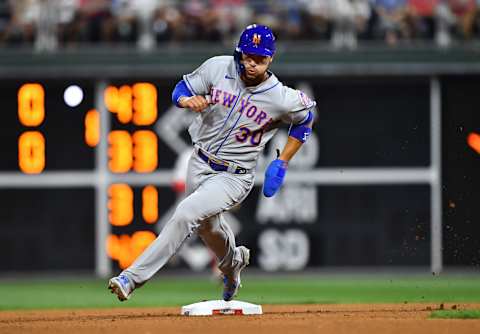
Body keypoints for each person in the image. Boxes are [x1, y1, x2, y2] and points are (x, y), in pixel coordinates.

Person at [108, 24, 316, 302]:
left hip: (234, 175)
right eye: (249, 56)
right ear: (239, 53)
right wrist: (185, 99)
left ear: (271, 59)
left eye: (261, 58)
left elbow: (305, 120)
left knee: (186, 213)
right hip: (199, 161)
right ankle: (233, 266)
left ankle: (130, 278)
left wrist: (283, 161)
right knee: (209, 228)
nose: (253, 63)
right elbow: (181, 88)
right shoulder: (218, 68)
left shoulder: (281, 98)